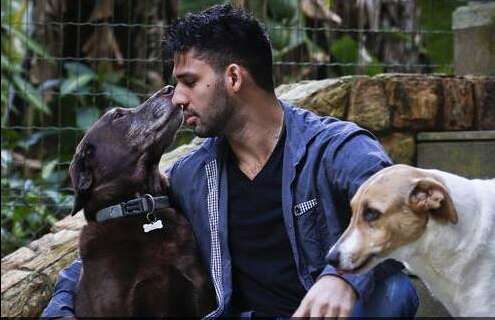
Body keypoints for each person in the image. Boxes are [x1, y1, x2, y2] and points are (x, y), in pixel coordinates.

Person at [42, 4, 418, 318]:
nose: (177, 98)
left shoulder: (335, 149)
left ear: (234, 78)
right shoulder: (192, 177)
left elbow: (399, 206)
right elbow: (104, 258)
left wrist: (342, 276)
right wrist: (60, 311)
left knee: (394, 293)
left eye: (189, 81)